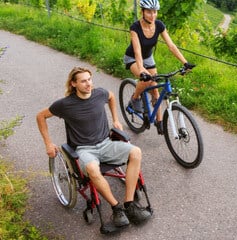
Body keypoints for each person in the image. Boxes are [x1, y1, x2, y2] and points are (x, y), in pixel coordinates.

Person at [36, 67, 151, 227]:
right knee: (92, 168)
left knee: (136, 152)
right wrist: (48, 143)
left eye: (89, 79)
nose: (88, 84)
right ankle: (116, 208)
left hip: (106, 143)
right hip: (84, 149)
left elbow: (111, 97)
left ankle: (129, 204)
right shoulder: (65, 104)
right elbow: (41, 116)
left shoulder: (100, 94)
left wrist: (116, 119)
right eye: (83, 81)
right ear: (73, 83)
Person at [123, 0, 195, 134]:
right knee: (145, 79)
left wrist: (185, 62)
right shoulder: (135, 27)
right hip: (133, 57)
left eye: (154, 12)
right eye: (149, 12)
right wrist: (142, 70)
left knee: (155, 88)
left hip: (148, 57)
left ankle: (159, 121)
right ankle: (135, 98)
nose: (152, 15)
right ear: (142, 12)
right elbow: (137, 52)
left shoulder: (159, 25)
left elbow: (171, 46)